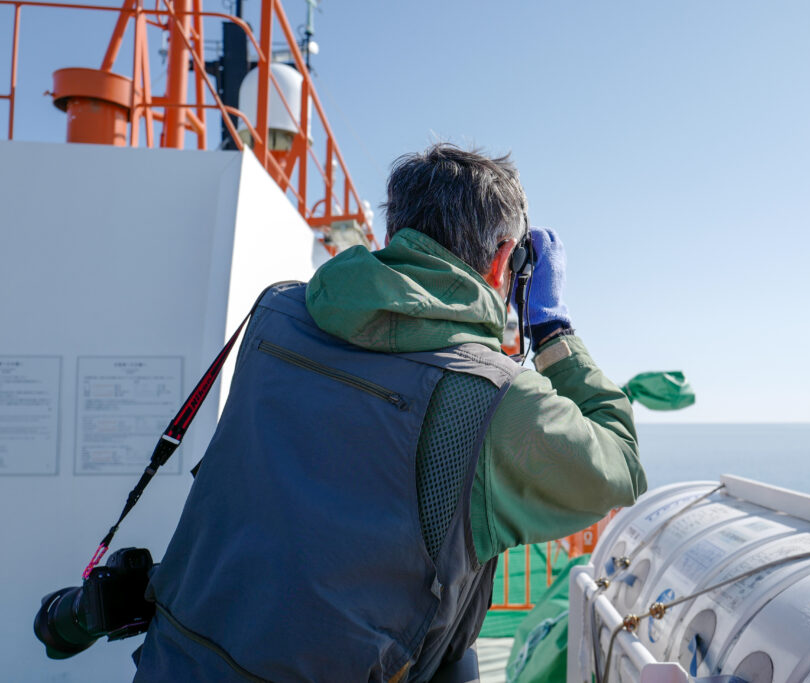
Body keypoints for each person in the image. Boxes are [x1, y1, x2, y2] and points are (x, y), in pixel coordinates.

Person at [133, 143, 646, 682]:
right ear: (503, 260)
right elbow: (623, 469)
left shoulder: (276, 312)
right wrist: (554, 332)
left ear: (397, 232)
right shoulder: (496, 398)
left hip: (179, 656)